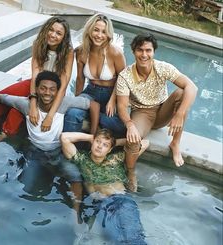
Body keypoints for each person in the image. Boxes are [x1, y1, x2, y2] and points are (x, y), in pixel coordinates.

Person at [0, 70, 99, 220]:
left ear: (58, 91)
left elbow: (94, 105)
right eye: (43, 88)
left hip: (59, 152)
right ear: (36, 89)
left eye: (52, 89)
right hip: (35, 153)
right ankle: (5, 214)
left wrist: (93, 134)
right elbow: (1, 98)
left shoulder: (64, 102)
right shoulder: (25, 105)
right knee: (26, 187)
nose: (47, 93)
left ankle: (76, 216)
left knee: (76, 177)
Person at [116, 33, 198, 191]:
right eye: (140, 50)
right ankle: (131, 172)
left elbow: (192, 87)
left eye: (148, 50)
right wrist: (130, 124)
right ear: (133, 51)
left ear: (154, 52)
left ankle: (175, 143)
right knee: (133, 139)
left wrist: (179, 114)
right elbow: (121, 106)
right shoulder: (125, 76)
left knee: (182, 94)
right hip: (142, 113)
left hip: (162, 110)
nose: (144, 55)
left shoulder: (162, 67)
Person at [0, 16, 74, 140]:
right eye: (51, 30)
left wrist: (50, 116)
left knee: (19, 107)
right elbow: (35, 76)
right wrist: (33, 104)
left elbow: (64, 85)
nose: (53, 35)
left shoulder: (68, 52)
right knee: (4, 95)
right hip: (35, 84)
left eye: (59, 33)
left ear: (63, 38)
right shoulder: (38, 44)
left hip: (54, 91)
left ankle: (3, 135)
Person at [61, 128, 148, 244]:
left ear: (110, 149)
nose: (100, 146)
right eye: (98, 142)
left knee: (134, 238)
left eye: (105, 145)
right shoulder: (82, 160)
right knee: (114, 240)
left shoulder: (116, 159)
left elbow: (145, 143)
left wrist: (115, 142)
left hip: (122, 201)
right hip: (101, 205)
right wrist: (91, 137)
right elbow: (64, 137)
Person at [63, 13, 126, 135]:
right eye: (96, 30)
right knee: (72, 113)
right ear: (90, 30)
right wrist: (77, 100)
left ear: (108, 34)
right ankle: (70, 149)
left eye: (104, 32)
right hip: (91, 92)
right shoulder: (81, 52)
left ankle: (94, 117)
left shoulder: (115, 53)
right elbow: (80, 78)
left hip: (111, 93)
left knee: (119, 126)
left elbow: (122, 78)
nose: (99, 35)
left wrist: (113, 101)